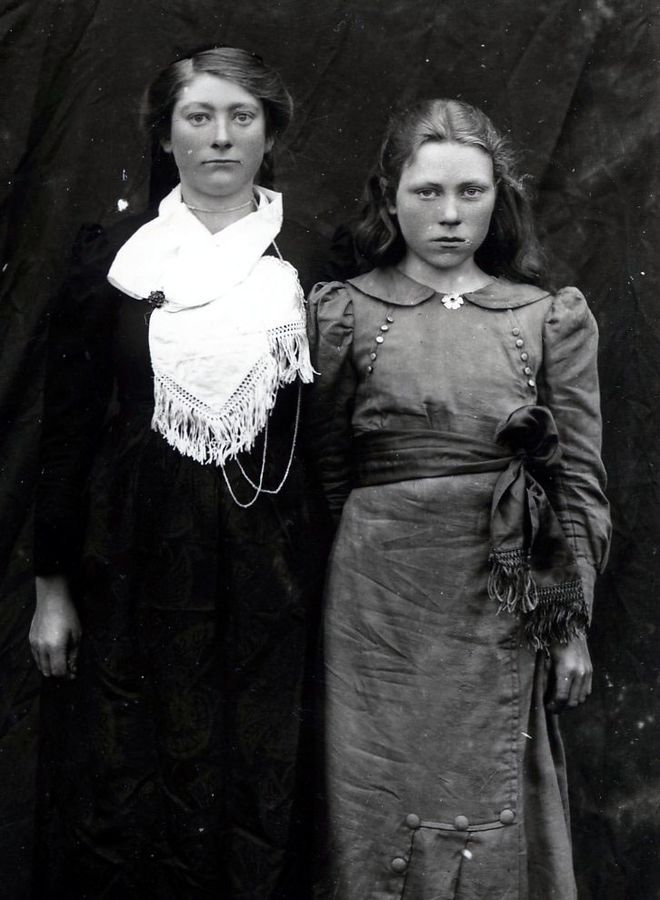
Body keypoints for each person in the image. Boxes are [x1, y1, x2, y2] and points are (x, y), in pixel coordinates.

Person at [30, 46, 327, 899]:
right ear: (166, 135)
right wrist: (51, 589)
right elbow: (67, 429)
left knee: (262, 760)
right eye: (199, 117)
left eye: (242, 117)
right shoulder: (117, 258)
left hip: (272, 551)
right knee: (137, 761)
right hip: (136, 550)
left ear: (270, 134)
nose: (221, 137)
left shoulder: (314, 254)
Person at [306, 99, 611, 899]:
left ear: (498, 198)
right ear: (389, 196)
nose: (449, 215)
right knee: (377, 805)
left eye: (471, 192)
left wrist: (569, 625)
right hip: (377, 614)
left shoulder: (544, 318)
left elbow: (576, 485)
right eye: (427, 192)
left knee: (493, 800)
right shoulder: (344, 313)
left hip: (502, 597)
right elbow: (329, 475)